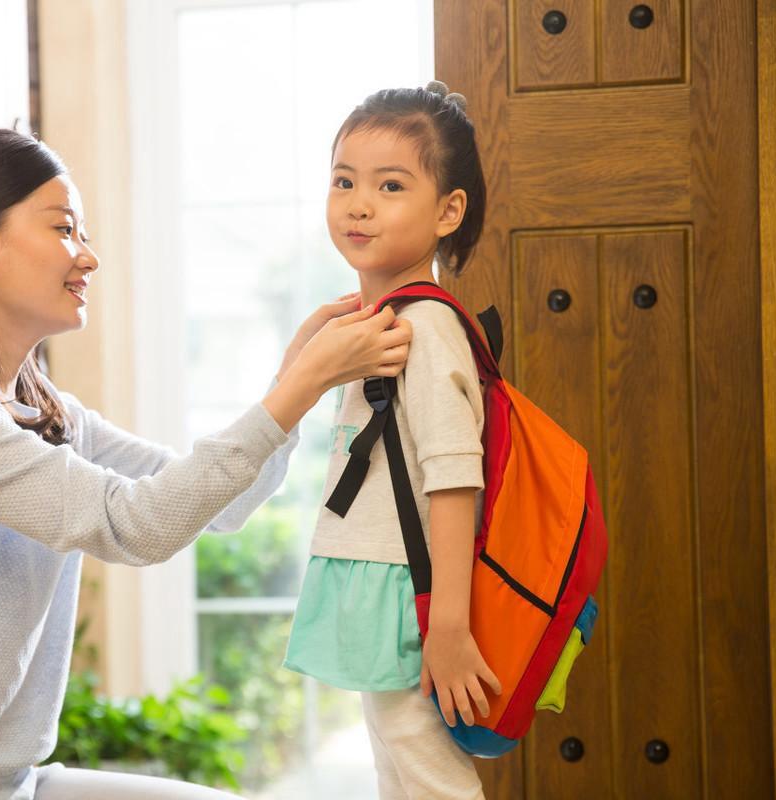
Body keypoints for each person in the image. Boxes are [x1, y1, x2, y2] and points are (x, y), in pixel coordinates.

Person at [0, 128, 412, 800]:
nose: (87, 256)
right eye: (63, 229)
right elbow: (135, 526)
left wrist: (294, 382)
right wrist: (300, 390)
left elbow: (224, 505)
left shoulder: (46, 410)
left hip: (5, 786)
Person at [282, 82, 501, 800]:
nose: (358, 203)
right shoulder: (381, 322)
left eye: (390, 184)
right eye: (343, 180)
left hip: (412, 589)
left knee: (429, 778)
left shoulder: (425, 327)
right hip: (384, 579)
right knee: (398, 773)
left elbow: (453, 476)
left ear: (448, 211)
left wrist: (446, 625)